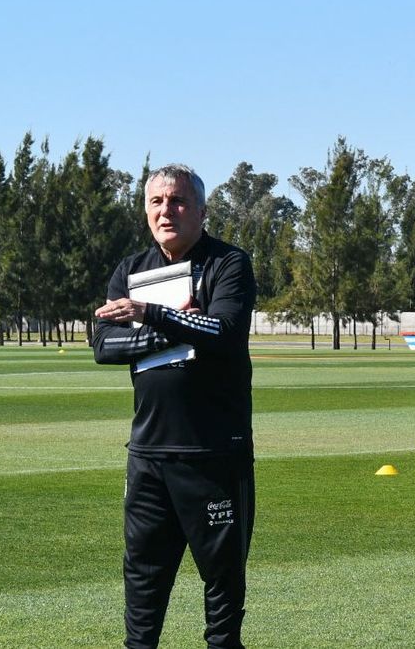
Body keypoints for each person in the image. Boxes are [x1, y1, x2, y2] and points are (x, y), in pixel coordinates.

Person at [92, 164, 257, 649]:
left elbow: (224, 332)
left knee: (223, 587)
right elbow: (104, 345)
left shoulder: (228, 264)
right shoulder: (131, 270)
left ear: (202, 212)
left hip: (212, 456)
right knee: (142, 583)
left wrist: (147, 315)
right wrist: (173, 323)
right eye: (157, 202)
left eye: (179, 201)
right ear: (146, 210)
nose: (167, 210)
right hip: (148, 457)